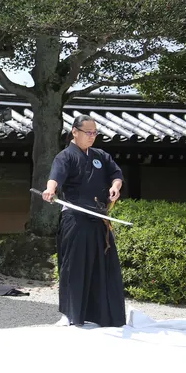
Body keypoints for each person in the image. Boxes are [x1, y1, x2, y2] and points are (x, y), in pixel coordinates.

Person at [42, 114, 126, 328]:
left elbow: (116, 174)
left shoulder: (100, 155)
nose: (92, 136)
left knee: (103, 267)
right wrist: (50, 190)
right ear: (75, 132)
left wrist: (115, 187)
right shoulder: (65, 156)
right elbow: (55, 178)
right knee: (74, 267)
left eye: (94, 133)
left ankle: (104, 316)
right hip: (75, 219)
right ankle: (69, 313)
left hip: (98, 218)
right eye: (88, 132)